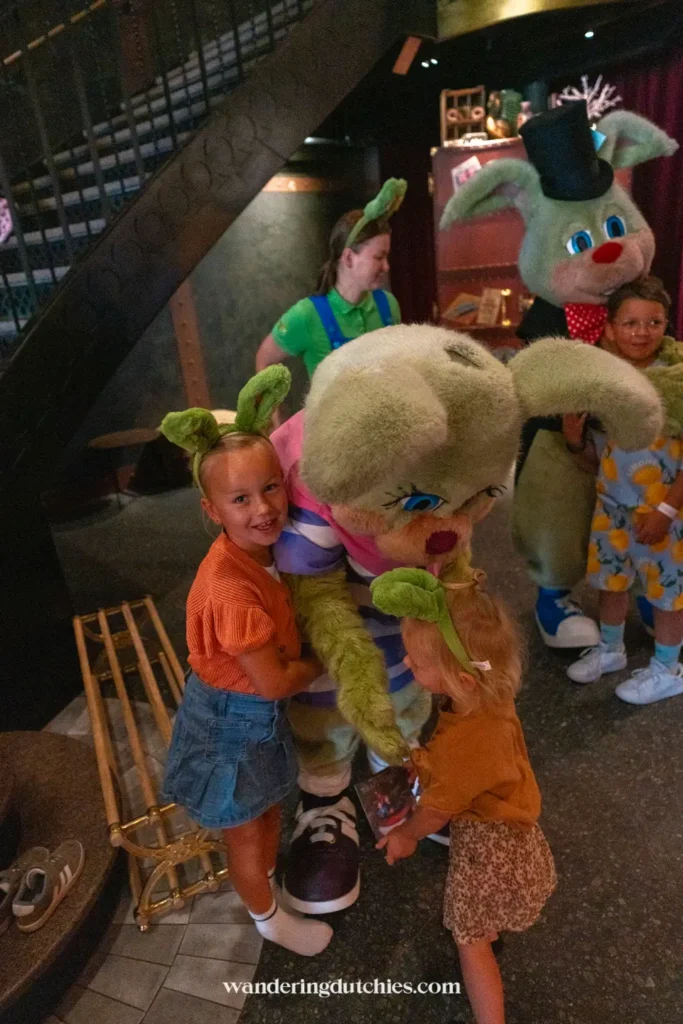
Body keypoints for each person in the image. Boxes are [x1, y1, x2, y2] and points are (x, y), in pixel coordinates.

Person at [159, 372, 333, 957]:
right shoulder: (232, 591)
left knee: (265, 810)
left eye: (271, 488)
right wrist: (321, 662)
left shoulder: (256, 550)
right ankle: (267, 919)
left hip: (246, 711)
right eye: (241, 499)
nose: (263, 508)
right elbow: (276, 680)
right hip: (233, 720)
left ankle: (266, 892)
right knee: (249, 833)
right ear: (212, 510)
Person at [371, 567, 556, 1024]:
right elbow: (467, 771)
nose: (407, 663)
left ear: (462, 679)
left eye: (417, 659)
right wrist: (430, 763)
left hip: (490, 847)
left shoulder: (464, 745)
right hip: (512, 821)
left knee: (469, 940)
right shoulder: (488, 696)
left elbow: (434, 814)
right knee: (481, 920)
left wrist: (405, 837)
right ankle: (488, 920)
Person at [564, 276, 683, 705]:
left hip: (665, 513)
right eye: (630, 323)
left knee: (669, 593)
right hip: (612, 505)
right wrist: (575, 438)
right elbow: (597, 456)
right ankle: (611, 648)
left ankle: (668, 668)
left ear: (666, 325)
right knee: (611, 582)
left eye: (653, 322)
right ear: (610, 328)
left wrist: (667, 511)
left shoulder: (676, 380)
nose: (642, 332)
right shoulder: (606, 383)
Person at [255, 178, 406, 384]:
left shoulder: (389, 306)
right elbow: (264, 360)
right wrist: (273, 415)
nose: (386, 267)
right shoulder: (306, 316)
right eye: (379, 257)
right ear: (348, 258)